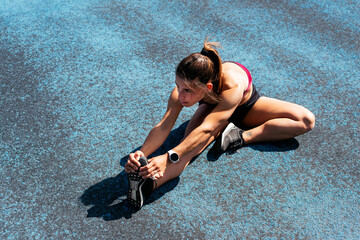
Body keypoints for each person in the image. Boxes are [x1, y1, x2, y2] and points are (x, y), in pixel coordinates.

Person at [124, 39, 315, 209]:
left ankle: (239, 136)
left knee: (306, 120)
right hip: (212, 110)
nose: (180, 95)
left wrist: (167, 157)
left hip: (244, 110)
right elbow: (164, 125)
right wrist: (143, 152)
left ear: (207, 88)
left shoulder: (232, 84)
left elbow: (207, 128)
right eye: (178, 86)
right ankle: (148, 184)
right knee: (188, 148)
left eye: (188, 91)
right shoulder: (181, 91)